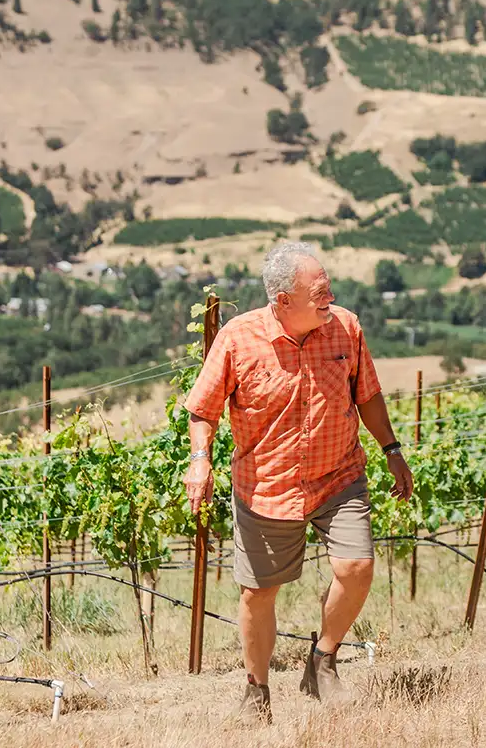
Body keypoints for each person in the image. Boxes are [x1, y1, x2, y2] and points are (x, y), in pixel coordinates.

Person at [181, 241, 414, 720]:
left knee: (356, 568)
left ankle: (323, 659)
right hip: (267, 487)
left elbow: (367, 394)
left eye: (329, 288)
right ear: (283, 300)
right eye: (319, 291)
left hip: (338, 474)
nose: (330, 297)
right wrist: (199, 460)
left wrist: (391, 450)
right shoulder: (238, 338)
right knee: (257, 593)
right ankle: (256, 689)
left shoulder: (346, 328)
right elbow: (202, 409)